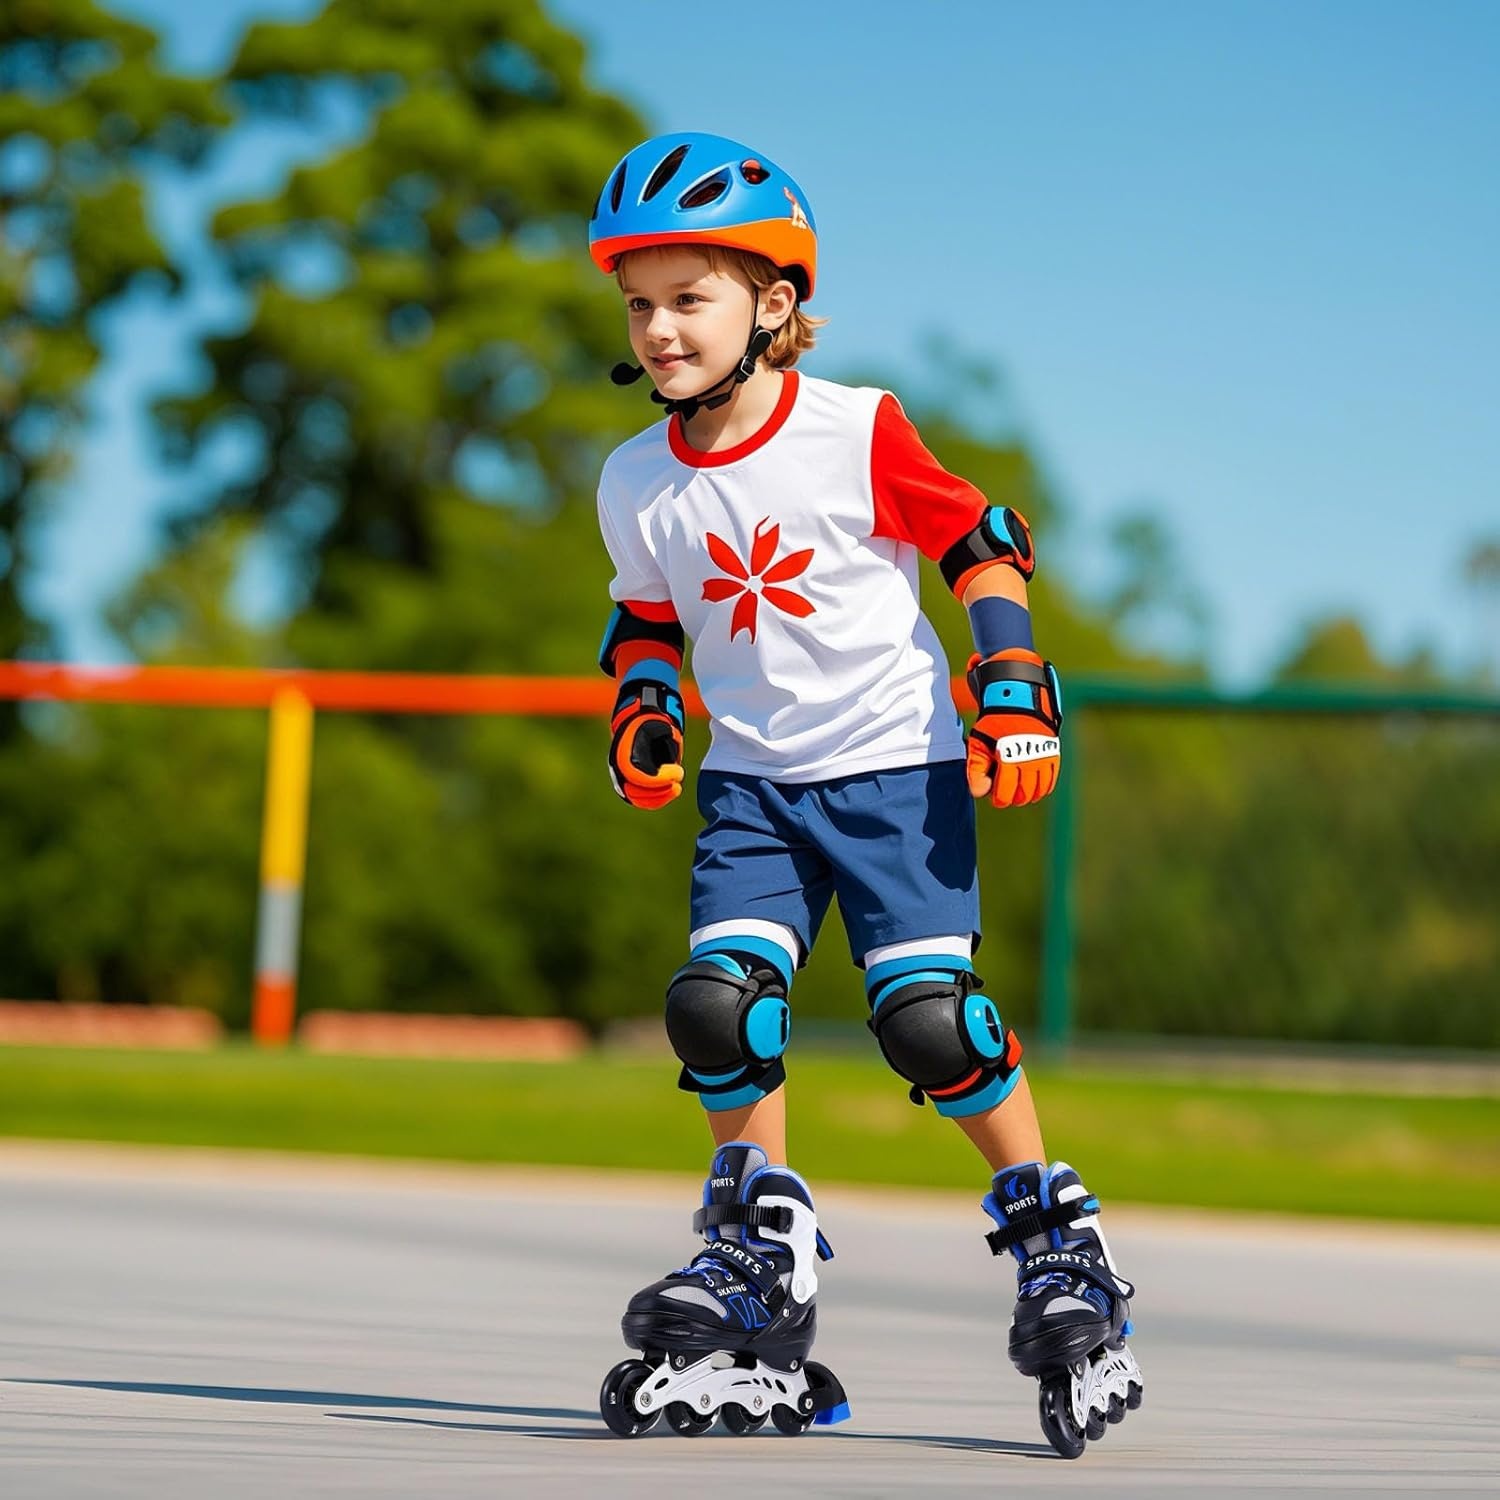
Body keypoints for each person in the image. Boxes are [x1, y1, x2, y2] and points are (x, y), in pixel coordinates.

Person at [589, 132, 1141, 1456]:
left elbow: (976, 538)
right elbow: (645, 619)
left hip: (897, 773)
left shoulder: (856, 426)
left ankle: (1060, 1244)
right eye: (638, 304)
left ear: (775, 304)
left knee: (928, 1024)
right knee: (717, 1005)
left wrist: (1008, 678)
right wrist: (648, 706)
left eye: (690, 298)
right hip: (756, 790)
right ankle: (757, 1254)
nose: (659, 330)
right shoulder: (634, 480)